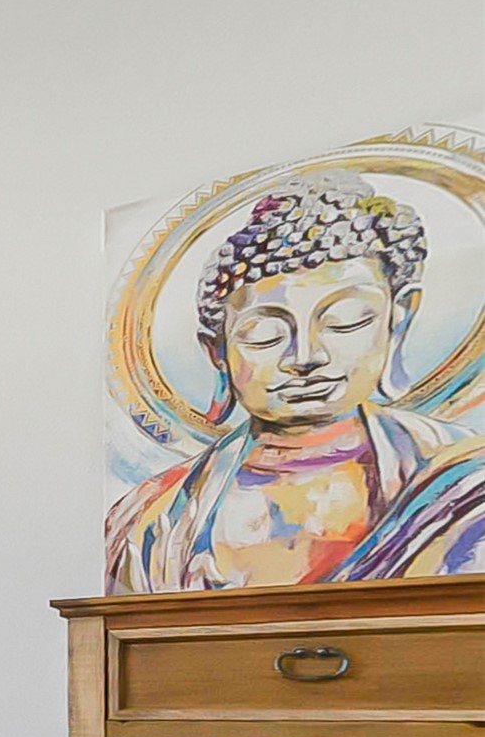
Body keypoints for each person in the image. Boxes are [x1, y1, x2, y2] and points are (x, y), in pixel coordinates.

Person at [106, 172, 485, 592]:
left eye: (346, 321)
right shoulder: (153, 517)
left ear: (399, 318)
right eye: (265, 335)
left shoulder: (464, 483)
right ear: (217, 351)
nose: (306, 357)